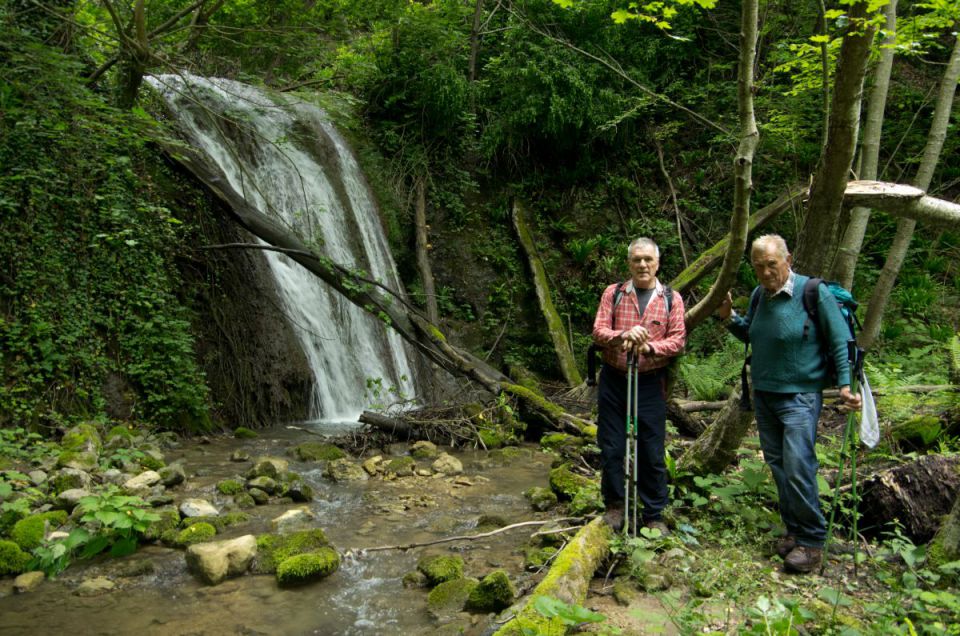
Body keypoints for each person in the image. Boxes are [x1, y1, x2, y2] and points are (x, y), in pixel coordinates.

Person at [716, 234, 861, 573]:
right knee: (780, 467)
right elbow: (752, 334)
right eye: (759, 267)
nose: (766, 273)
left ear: (788, 259)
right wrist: (728, 317)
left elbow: (841, 341)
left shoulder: (813, 293)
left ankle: (812, 542)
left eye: (772, 265)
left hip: (799, 396)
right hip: (765, 394)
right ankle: (795, 531)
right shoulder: (758, 296)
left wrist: (845, 385)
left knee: (798, 467)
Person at [592, 237, 686, 534]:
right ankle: (615, 505)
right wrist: (623, 336)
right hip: (614, 378)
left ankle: (654, 512)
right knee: (611, 445)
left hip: (649, 382)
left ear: (657, 263)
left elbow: (678, 340)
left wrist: (649, 348)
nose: (643, 264)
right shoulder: (614, 294)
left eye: (648, 259)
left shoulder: (672, 298)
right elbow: (598, 331)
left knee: (651, 448)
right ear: (629, 263)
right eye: (637, 260)